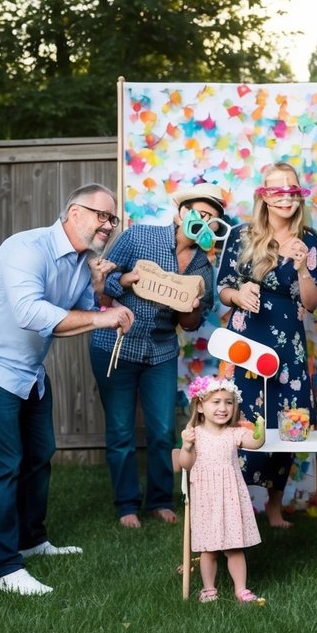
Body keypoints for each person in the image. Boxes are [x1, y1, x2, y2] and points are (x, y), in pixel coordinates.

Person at [0, 183, 135, 596]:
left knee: (39, 453)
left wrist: (104, 304)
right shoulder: (26, 248)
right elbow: (31, 312)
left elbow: (80, 314)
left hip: (28, 370)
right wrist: (102, 318)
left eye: (112, 218)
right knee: (4, 462)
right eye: (100, 215)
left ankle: (31, 541)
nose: (107, 224)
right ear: (73, 212)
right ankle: (2, 569)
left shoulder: (83, 262)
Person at [89, 182, 228, 529]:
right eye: (200, 213)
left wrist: (191, 307)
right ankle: (126, 505)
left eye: (212, 219)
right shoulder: (140, 237)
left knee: (164, 430)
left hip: (161, 351)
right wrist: (129, 280)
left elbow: (192, 324)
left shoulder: (202, 267)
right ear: (182, 213)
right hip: (115, 345)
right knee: (120, 429)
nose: (205, 222)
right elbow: (103, 282)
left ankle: (160, 500)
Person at [216, 161, 317, 528]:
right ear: (263, 197)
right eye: (277, 190)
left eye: (292, 189)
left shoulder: (308, 239)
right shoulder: (242, 235)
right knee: (240, 420)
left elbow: (310, 302)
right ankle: (235, 504)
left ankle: (274, 506)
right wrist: (238, 293)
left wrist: (302, 269)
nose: (286, 197)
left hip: (288, 345)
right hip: (244, 342)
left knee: (289, 420)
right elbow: (223, 289)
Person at [174, 376, 267, 603]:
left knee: (234, 547)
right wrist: (186, 445)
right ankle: (209, 588)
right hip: (206, 498)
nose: (223, 408)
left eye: (228, 402)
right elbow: (185, 464)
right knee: (209, 549)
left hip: (231, 497)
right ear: (200, 406)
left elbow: (256, 443)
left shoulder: (234, 433)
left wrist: (260, 427)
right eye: (216, 402)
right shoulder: (195, 434)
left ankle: (241, 589)